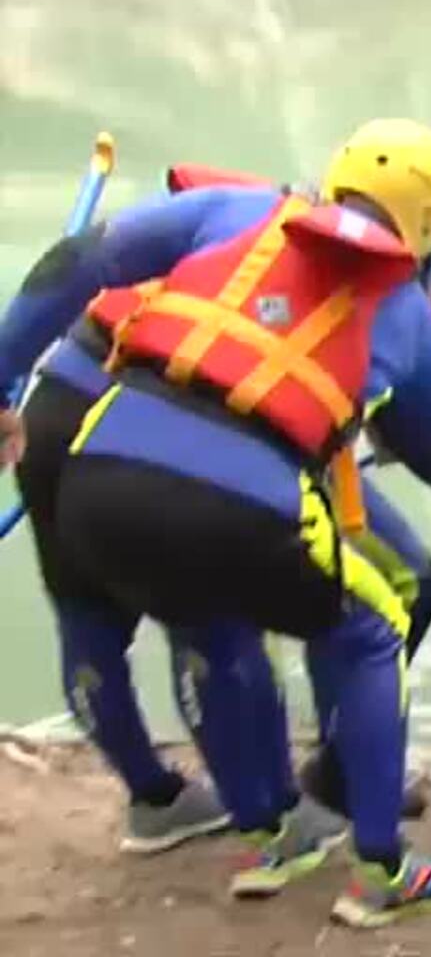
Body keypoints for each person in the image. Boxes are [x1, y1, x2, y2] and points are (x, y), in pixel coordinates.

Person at [0, 118, 431, 927]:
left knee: (207, 630)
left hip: (94, 480)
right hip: (240, 502)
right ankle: (382, 873)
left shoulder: (240, 212)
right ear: (426, 225)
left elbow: (74, 260)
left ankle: (270, 834)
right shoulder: (400, 308)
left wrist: (2, 377)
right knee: (374, 626)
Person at [7, 161, 331, 857]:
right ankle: (273, 812)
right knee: (213, 625)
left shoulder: (215, 217)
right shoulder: (330, 273)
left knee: (85, 617)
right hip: (153, 431)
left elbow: (68, 266)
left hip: (56, 404)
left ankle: (154, 801)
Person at [296, 135, 431, 821]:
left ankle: (336, 769)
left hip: (290, 457)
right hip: (275, 465)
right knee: (403, 589)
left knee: (356, 599)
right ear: (418, 223)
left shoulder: (372, 267)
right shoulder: (395, 292)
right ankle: (360, 811)